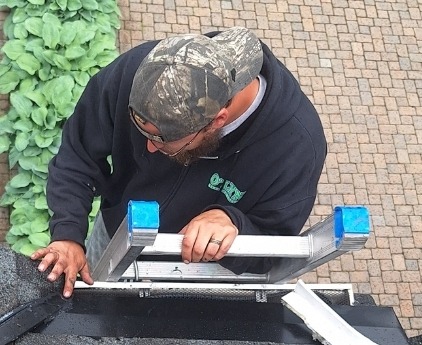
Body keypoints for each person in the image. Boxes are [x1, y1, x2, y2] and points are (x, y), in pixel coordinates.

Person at [32, 27, 327, 296]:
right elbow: (78, 152)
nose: (147, 147)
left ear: (216, 122)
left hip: (206, 276)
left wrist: (235, 225)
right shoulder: (139, 70)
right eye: (142, 132)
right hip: (116, 234)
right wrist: (68, 234)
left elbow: (274, 246)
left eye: (161, 140)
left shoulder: (297, 148)